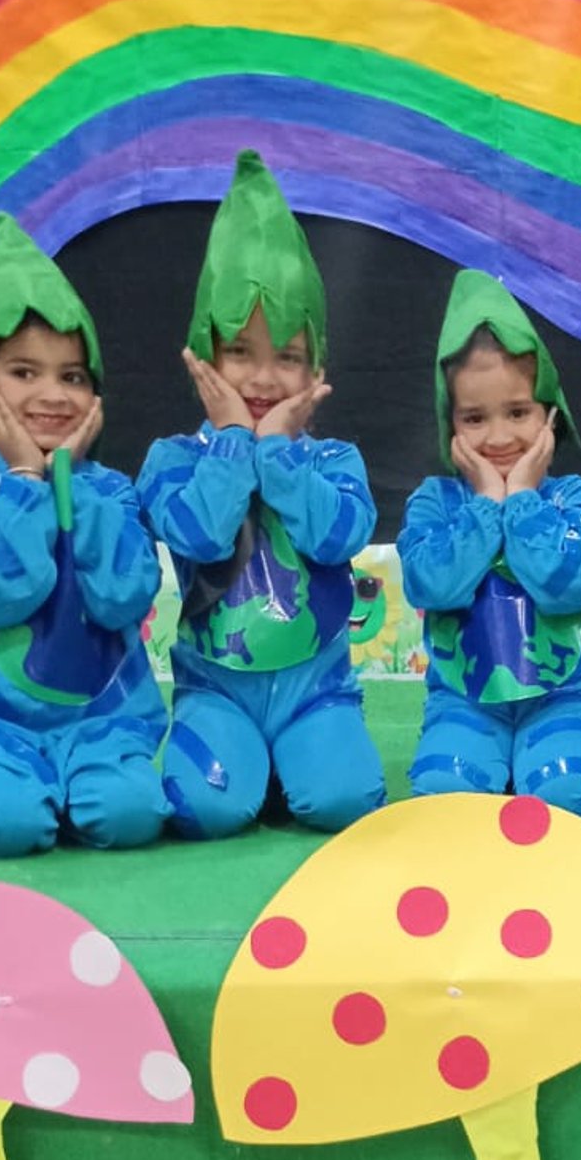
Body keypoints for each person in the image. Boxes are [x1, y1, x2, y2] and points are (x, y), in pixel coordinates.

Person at [137, 150, 384, 837]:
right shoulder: (173, 460)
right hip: (216, 689)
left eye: (288, 356)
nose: (263, 377)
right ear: (201, 358)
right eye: (240, 352)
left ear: (316, 369)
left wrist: (277, 451)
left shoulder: (334, 460)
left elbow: (336, 538)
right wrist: (234, 444)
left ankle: (296, 762)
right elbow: (200, 536)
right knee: (206, 810)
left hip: (317, 691)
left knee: (345, 804)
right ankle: (247, 764)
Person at [0, 214, 167, 856]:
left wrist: (72, 486)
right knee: (4, 827)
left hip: (100, 722)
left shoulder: (110, 491)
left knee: (131, 817)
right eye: (25, 373)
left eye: (72, 376)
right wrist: (25, 480)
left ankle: (66, 786)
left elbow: (122, 600)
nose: (52, 394)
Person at [399, 269, 581, 824]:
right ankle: (497, 767)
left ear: (549, 414)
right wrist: (483, 506)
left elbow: (572, 584)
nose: (499, 438)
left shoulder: (575, 498)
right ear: (448, 422)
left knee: (567, 800)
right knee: (442, 796)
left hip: (562, 696)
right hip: (464, 699)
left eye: (518, 413)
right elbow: (430, 585)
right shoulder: (435, 503)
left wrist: (522, 499)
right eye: (475, 418)